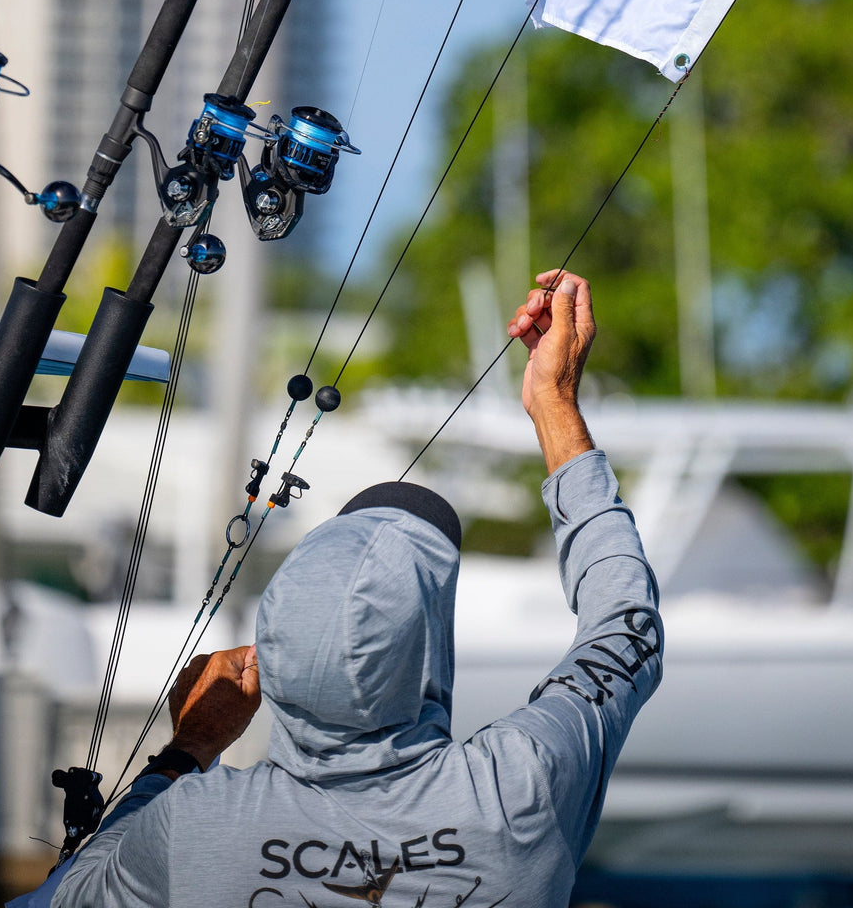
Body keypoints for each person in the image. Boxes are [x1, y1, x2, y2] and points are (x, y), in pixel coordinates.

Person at [45, 270, 662, 908]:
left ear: (272, 652)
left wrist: (189, 750)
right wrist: (554, 403)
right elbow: (627, 624)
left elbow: (63, 899)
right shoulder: (525, 786)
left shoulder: (187, 826)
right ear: (425, 647)